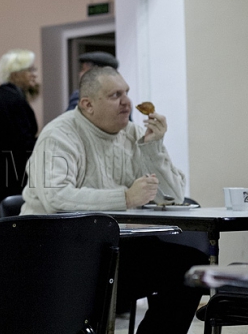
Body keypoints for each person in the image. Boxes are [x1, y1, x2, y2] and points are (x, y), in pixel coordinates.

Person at [22, 66, 207, 334]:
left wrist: (154, 148)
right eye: (114, 95)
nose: (127, 102)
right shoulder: (59, 136)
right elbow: (56, 199)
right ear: (87, 105)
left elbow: (175, 197)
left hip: (113, 249)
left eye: (127, 93)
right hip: (59, 254)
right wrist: (125, 197)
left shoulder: (132, 134)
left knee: (190, 267)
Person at [0, 49, 39, 219]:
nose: (34, 75)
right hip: (7, 175)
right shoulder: (12, 100)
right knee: (9, 227)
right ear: (16, 74)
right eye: (30, 70)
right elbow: (23, 142)